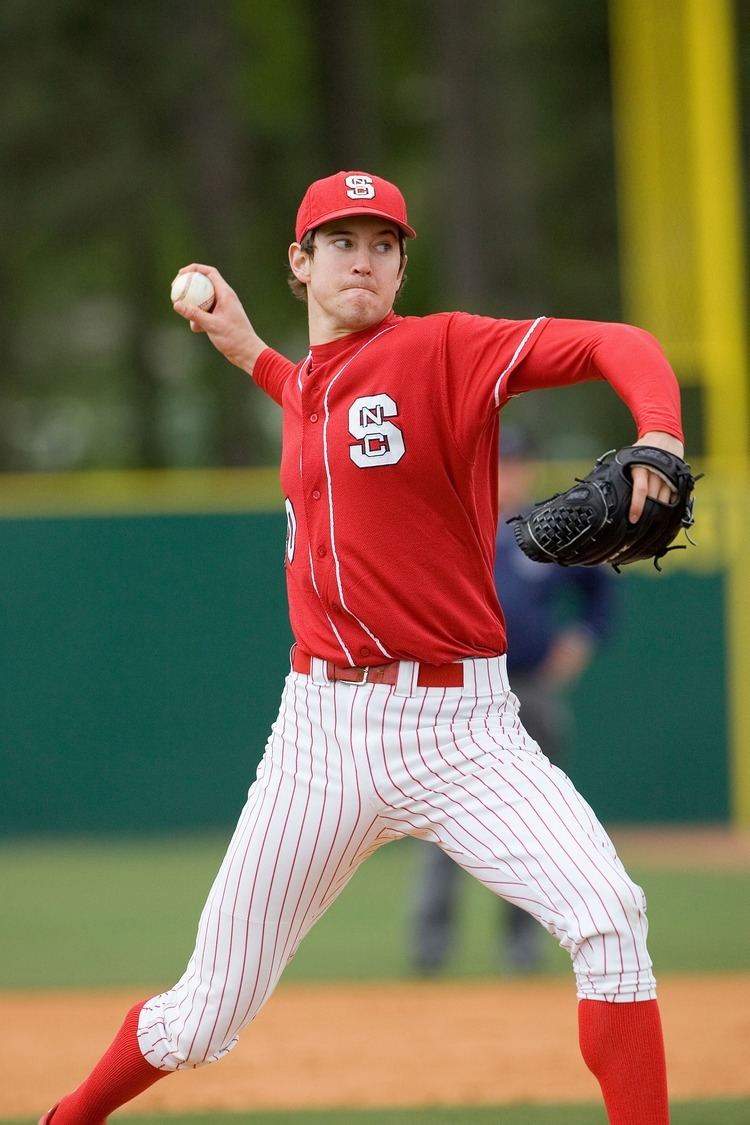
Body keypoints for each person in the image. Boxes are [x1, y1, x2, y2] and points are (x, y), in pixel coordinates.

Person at [40, 170, 684, 1125]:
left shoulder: (444, 351)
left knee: (612, 917)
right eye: (342, 242)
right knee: (201, 1020)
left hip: (464, 727)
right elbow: (309, 394)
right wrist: (246, 344)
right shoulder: (306, 389)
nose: (365, 259)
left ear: (401, 266)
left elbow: (617, 342)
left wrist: (661, 438)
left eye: (383, 244)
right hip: (322, 732)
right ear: (301, 265)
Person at [411, 425, 615, 974]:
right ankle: (431, 946)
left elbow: (601, 598)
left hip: (528, 687)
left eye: (517, 462)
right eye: (500, 463)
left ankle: (521, 946)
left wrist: (581, 641)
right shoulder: (453, 521)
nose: (509, 473)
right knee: (443, 821)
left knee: (534, 826)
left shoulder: (551, 527)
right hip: (458, 696)